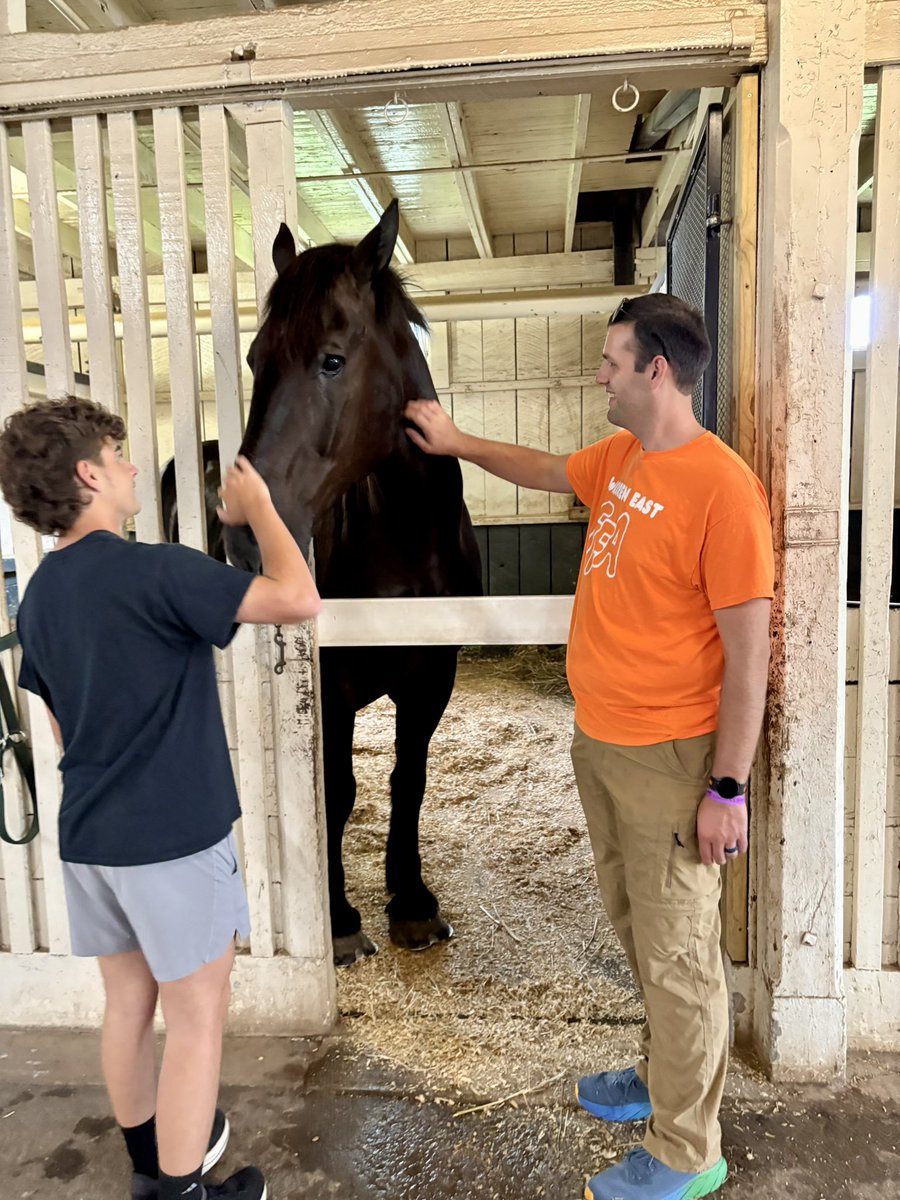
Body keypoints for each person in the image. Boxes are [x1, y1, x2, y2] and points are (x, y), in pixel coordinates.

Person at [405, 293, 774, 1200]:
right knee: (640, 932)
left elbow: (750, 653)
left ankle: (690, 1153)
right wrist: (457, 444)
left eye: (611, 361)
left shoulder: (723, 488)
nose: (598, 375)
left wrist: (726, 786)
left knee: (681, 955)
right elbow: (544, 469)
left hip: (671, 758)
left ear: (657, 370)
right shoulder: (623, 457)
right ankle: (656, 1079)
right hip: (601, 742)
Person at [0, 396, 322, 1200]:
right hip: (172, 836)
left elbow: (63, 729)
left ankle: (154, 1166)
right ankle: (181, 1190)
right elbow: (296, 597)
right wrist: (262, 509)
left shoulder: (37, 595)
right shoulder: (155, 569)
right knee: (198, 1017)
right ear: (88, 473)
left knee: (126, 1007)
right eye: (119, 452)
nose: (133, 465)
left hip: (92, 836)